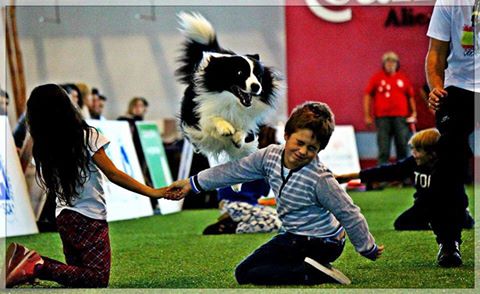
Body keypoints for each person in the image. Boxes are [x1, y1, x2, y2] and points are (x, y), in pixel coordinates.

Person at [167, 102, 384, 285]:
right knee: (243, 273)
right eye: (299, 143)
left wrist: (367, 248)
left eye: (312, 148)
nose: (302, 152)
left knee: (257, 271)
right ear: (287, 135)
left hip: (325, 243)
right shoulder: (269, 156)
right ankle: (307, 267)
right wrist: (192, 184)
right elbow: (232, 171)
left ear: (319, 150)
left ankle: (311, 273)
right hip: (292, 236)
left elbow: (348, 212)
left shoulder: (320, 178)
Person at [5, 84, 171, 288]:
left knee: (80, 280)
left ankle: (29, 263)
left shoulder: (42, 144)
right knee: (97, 279)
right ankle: (38, 264)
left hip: (64, 217)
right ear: (67, 105)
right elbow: (113, 173)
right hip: (89, 216)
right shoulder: (87, 135)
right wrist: (153, 192)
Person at [424, 0, 478, 267]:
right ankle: (448, 241)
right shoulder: (448, 2)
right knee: (448, 162)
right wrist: (435, 87)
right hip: (459, 86)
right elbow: (435, 53)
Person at [336, 128, 474, 231]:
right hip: (424, 207)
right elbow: (387, 171)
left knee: (459, 220)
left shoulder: (448, 167)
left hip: (448, 207)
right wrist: (350, 177)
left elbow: (460, 194)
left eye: (418, 151)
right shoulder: (413, 163)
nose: (414, 154)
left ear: (432, 153)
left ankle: (462, 217)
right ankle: (435, 224)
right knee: (401, 224)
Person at [364, 51, 417, 165]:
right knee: (384, 148)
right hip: (382, 118)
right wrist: (367, 115)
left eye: (393, 62)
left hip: (401, 118)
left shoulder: (403, 78)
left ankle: (403, 176)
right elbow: (368, 95)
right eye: (387, 62)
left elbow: (410, 97)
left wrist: (414, 113)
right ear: (383, 64)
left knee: (402, 146)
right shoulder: (377, 78)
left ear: (397, 64)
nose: (390, 64)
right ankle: (383, 177)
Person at [117, 97, 157, 211]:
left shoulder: (144, 124)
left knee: (144, 178)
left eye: (141, 106)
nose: (138, 108)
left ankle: (149, 203)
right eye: (136, 106)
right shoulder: (125, 121)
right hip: (130, 154)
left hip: (143, 154)